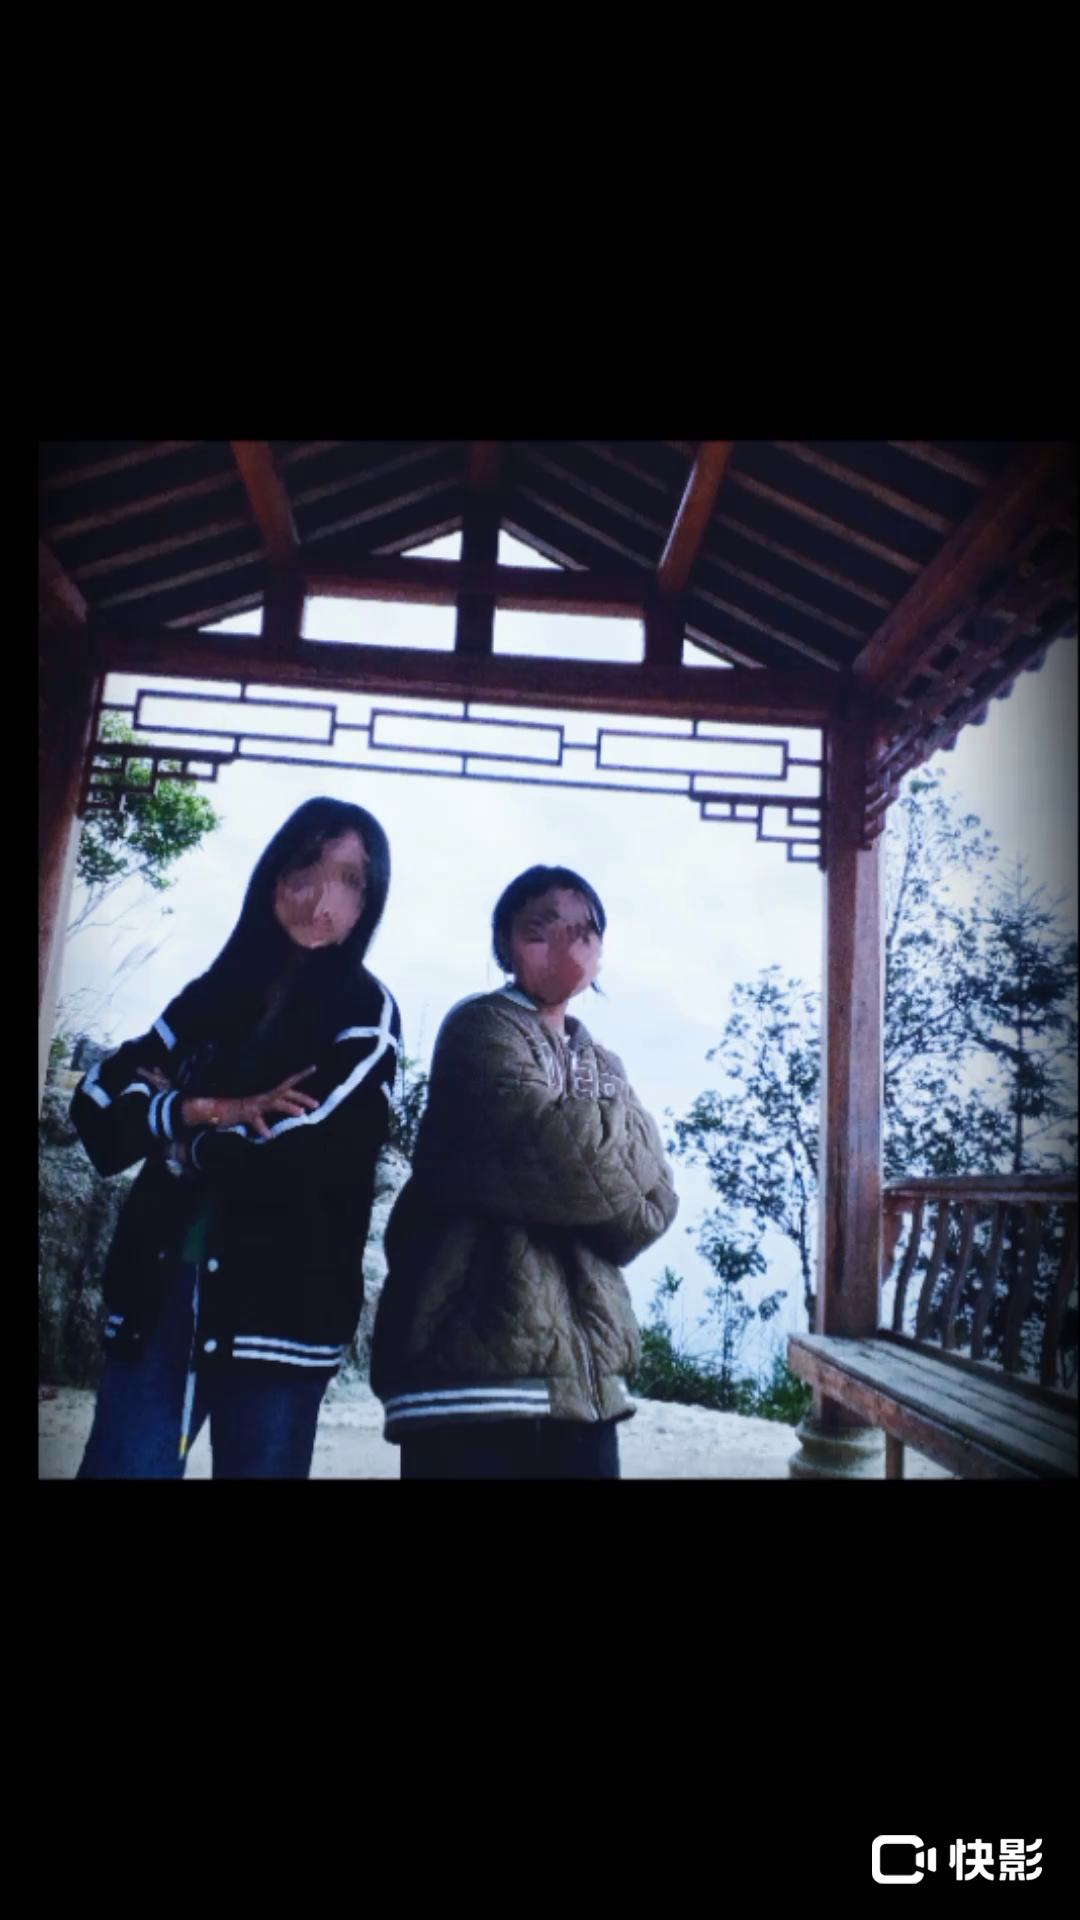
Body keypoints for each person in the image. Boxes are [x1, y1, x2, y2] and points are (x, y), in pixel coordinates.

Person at [72, 796, 401, 1479]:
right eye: (308, 867)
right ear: (274, 873)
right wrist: (205, 1109)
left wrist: (176, 1138)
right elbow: (99, 1104)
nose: (323, 899)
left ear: (369, 905)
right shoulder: (210, 997)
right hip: (159, 1291)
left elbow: (305, 1152)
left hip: (280, 1312)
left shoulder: (365, 1014)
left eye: (350, 881)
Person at [370, 863, 678, 1479]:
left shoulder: (602, 1060)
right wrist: (618, 1138)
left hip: (586, 1391)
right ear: (504, 944)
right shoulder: (479, 1028)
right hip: (473, 1386)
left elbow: (650, 1211)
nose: (567, 947)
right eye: (541, 930)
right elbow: (567, 1164)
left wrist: (591, 1154)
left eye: (584, 932)